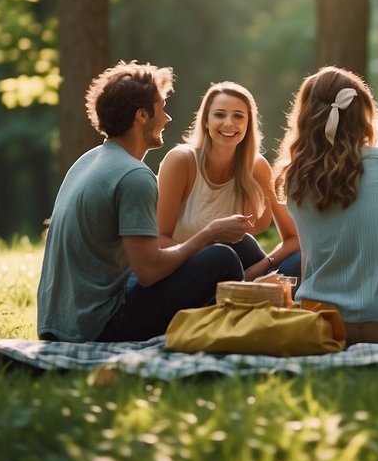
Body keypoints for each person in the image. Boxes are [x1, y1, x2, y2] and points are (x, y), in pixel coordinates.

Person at [36, 61, 246, 342]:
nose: (168, 118)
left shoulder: (88, 160)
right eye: (162, 109)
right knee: (223, 258)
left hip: (58, 323)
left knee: (208, 257)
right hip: (97, 327)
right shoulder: (134, 176)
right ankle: (228, 338)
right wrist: (209, 234)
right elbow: (149, 271)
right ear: (142, 116)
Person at [273, 66, 378, 346]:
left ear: (305, 115)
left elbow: (309, 256)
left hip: (325, 325)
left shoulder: (293, 177)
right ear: (363, 113)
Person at [157, 81, 300, 281]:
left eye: (238, 116)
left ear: (248, 123)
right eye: (220, 114)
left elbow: (294, 238)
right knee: (227, 254)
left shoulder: (257, 166)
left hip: (240, 272)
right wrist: (217, 265)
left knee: (299, 261)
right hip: (186, 271)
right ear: (206, 120)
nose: (229, 123)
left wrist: (258, 270)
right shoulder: (181, 160)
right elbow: (159, 240)